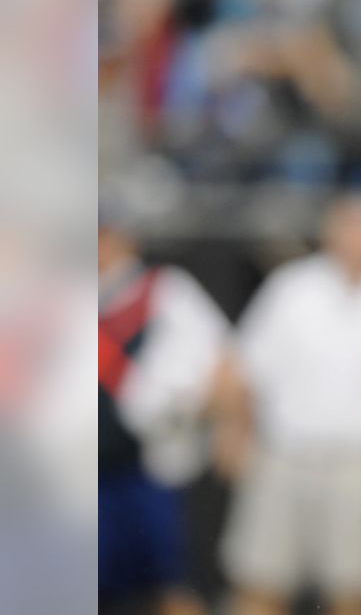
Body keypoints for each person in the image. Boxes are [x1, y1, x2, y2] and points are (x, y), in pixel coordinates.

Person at [218, 193, 361, 615]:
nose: (357, 238)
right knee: (259, 583)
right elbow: (243, 367)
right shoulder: (292, 286)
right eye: (349, 226)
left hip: (359, 463)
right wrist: (234, 433)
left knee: (355, 591)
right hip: (283, 455)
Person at [99, 213, 230, 615]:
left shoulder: (162, 289)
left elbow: (224, 362)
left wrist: (218, 425)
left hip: (151, 467)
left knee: (172, 583)